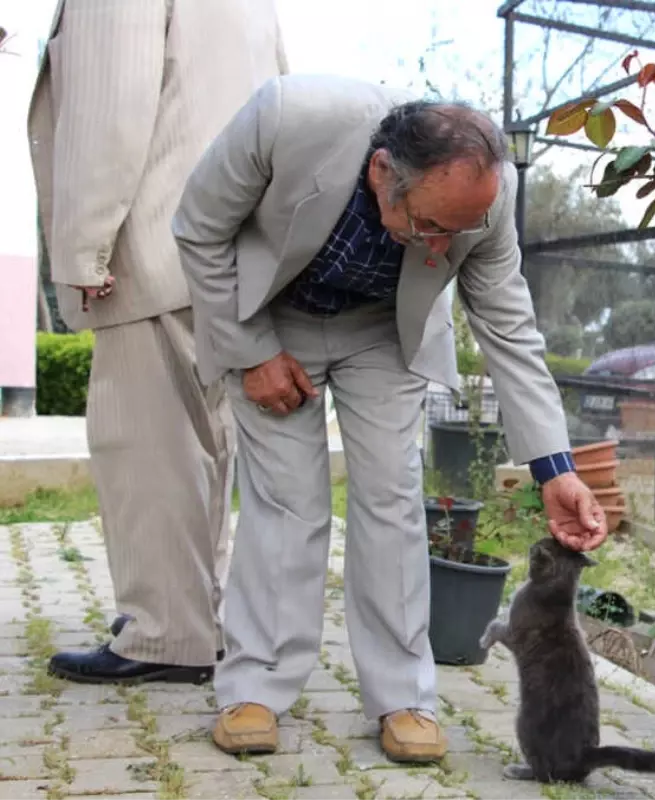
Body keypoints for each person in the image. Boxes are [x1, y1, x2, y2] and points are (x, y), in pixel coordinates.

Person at [171, 74, 609, 763]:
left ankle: (404, 696)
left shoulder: (486, 202)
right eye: (430, 225)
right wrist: (251, 351)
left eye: (455, 234)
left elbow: (507, 325)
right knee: (289, 502)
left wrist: (554, 470)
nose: (440, 248)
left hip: (385, 331)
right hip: (273, 317)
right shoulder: (289, 117)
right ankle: (255, 687)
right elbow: (198, 228)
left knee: (393, 496)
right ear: (383, 172)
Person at [26, 0, 288, 683]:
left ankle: (165, 634)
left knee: (142, 443)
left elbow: (109, 112)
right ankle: (196, 612)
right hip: (233, 240)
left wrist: (84, 249)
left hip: (154, 237)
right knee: (205, 442)